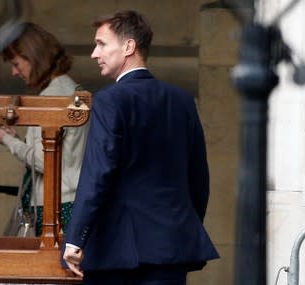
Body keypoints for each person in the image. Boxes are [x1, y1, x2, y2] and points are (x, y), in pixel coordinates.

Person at [63, 10, 219, 284]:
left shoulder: (110, 100)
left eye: (101, 44)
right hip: (172, 246)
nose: (93, 54)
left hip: (117, 251)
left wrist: (76, 238)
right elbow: (199, 179)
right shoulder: (182, 100)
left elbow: (98, 174)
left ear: (129, 47)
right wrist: (182, 227)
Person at [0, 22, 89, 236]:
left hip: (57, 205)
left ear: (32, 57)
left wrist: (6, 139)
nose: (14, 72)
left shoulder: (51, 97)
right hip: (74, 200)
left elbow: (44, 161)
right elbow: (62, 155)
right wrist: (18, 141)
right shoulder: (71, 88)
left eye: (16, 64)